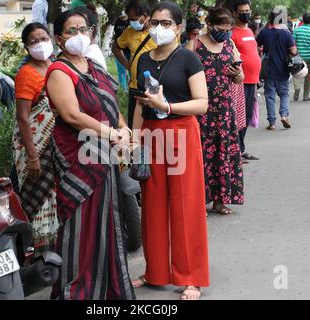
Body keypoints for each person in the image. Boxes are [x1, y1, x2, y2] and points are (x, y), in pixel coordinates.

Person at [45, 9, 135, 300]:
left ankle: (106, 288)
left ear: (92, 32)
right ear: (59, 39)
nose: (79, 35)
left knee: (106, 220)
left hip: (104, 156)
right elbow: (71, 115)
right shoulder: (60, 71)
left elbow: (111, 105)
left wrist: (125, 131)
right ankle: (77, 290)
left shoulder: (94, 67)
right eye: (71, 31)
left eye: (83, 29)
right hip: (78, 158)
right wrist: (111, 134)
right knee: (80, 224)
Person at [131, 1, 209, 300]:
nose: (158, 28)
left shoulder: (189, 59)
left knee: (185, 205)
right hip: (151, 135)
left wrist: (168, 106)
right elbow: (140, 103)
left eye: (165, 23)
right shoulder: (145, 60)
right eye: (153, 23)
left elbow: (202, 103)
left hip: (181, 132)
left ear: (178, 26)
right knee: (152, 204)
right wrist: (135, 142)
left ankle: (191, 276)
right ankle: (156, 271)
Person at [188, 7, 244, 215]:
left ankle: (220, 201)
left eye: (228, 30)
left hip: (224, 111)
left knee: (223, 154)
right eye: (221, 29)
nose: (225, 34)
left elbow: (241, 78)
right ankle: (198, 202)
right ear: (210, 25)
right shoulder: (195, 44)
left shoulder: (229, 44)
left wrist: (237, 74)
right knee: (200, 155)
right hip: (201, 109)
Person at [12, 23, 59, 256]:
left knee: (56, 197)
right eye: (34, 41)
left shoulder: (56, 67)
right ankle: (39, 254)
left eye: (43, 37)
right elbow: (22, 118)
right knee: (38, 199)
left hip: (56, 147)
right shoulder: (26, 74)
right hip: (33, 148)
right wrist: (32, 157)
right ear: (26, 47)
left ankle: (56, 250)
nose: (40, 43)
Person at [112, 0, 157, 128]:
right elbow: (115, 47)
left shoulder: (158, 32)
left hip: (155, 88)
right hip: (135, 87)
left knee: (154, 126)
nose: (131, 22)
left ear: (145, 15)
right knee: (135, 126)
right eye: (129, 19)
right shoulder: (129, 31)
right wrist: (127, 64)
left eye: (134, 19)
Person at [231, 0, 262, 162]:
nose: (246, 14)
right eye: (242, 11)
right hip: (239, 83)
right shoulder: (232, 33)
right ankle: (236, 151)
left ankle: (241, 149)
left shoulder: (249, 31)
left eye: (248, 11)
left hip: (252, 81)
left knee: (247, 116)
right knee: (239, 117)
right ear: (235, 13)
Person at [257, 11, 298, 130]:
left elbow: (257, 45)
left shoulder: (264, 32)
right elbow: (294, 51)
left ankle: (272, 123)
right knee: (284, 94)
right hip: (283, 69)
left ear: (269, 20)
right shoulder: (286, 33)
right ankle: (284, 115)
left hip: (269, 70)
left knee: (270, 96)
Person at [292, 13, 310, 102]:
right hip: (309, 57)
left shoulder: (296, 30)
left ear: (302, 20)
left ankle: (297, 88)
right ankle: (305, 96)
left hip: (298, 56)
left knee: (295, 73)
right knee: (308, 76)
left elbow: (292, 43)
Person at [74, 5, 107, 70]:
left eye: (82, 29)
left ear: (92, 29)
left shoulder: (91, 56)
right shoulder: (81, 53)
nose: (77, 34)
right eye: (72, 30)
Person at [113, 11, 130, 91]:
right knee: (121, 71)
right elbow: (116, 36)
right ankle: (124, 90)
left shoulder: (131, 20)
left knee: (132, 70)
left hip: (131, 50)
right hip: (119, 50)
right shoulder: (115, 21)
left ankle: (132, 88)